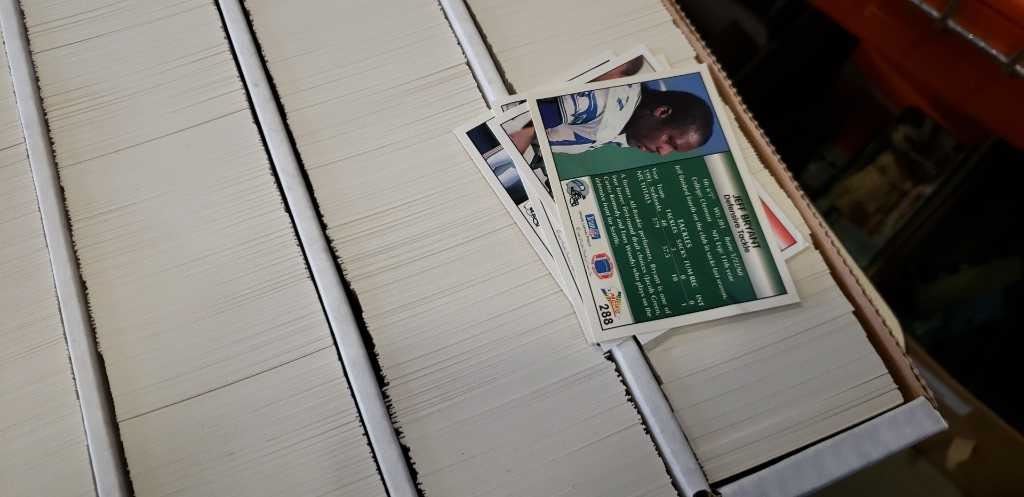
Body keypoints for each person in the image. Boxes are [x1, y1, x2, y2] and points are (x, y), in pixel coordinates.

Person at [510, 83, 714, 157]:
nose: (663, 152)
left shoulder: (627, 126)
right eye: (670, 141)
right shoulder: (606, 101)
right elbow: (534, 116)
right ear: (662, 112)